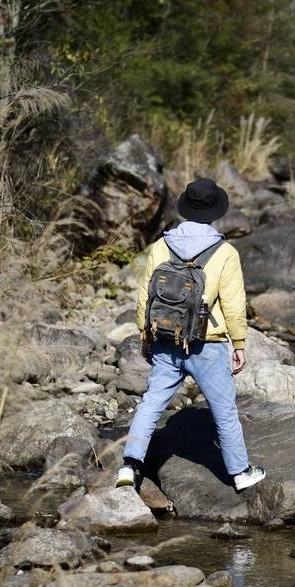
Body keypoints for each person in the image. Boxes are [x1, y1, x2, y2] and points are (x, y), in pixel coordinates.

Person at [116, 177, 266, 491]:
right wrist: (239, 342)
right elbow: (234, 305)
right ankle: (240, 473)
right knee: (223, 410)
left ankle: (129, 467)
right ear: (215, 210)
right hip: (206, 344)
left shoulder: (162, 245)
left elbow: (146, 294)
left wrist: (146, 334)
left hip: (166, 339)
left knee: (150, 404)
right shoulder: (225, 252)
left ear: (186, 207)